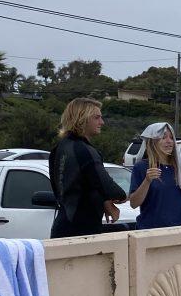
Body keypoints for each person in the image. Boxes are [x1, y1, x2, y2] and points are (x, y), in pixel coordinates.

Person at [49, 98, 128, 238]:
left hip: (62, 226)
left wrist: (104, 202)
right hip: (82, 230)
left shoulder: (59, 148)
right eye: (96, 117)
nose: (101, 122)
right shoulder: (84, 151)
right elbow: (111, 189)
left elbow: (81, 184)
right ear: (82, 118)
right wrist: (120, 197)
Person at [129, 122, 181, 228]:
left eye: (171, 138)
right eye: (163, 137)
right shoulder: (141, 167)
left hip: (180, 230)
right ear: (152, 142)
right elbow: (133, 203)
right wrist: (147, 181)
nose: (169, 141)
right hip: (151, 231)